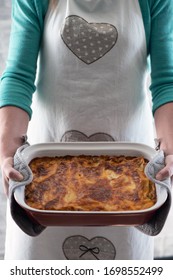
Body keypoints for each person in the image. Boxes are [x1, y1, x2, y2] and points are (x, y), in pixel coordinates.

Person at [0, 0, 173, 260]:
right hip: (45, 169)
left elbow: (166, 81)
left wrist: (169, 149)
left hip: (128, 178)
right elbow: (18, 76)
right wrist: (7, 152)